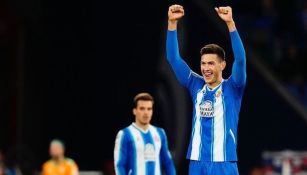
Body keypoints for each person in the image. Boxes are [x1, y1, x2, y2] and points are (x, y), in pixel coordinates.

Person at [166, 4, 246, 175]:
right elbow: (173, 59)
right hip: (196, 163)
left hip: (223, 163)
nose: (205, 68)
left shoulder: (233, 87)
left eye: (211, 63)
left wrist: (231, 24)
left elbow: (240, 60)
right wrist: (172, 24)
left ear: (223, 65)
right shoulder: (195, 84)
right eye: (203, 63)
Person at [114, 93, 176, 175]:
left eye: (149, 109)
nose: (146, 112)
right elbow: (120, 165)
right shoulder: (125, 134)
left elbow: (168, 162)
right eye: (142, 109)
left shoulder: (160, 133)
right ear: (135, 111)